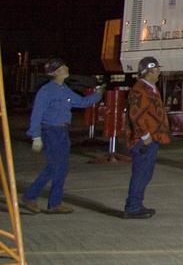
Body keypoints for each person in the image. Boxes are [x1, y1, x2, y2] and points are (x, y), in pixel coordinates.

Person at [22, 59, 103, 214]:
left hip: (62, 132)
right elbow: (37, 113)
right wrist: (35, 136)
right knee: (54, 166)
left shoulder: (64, 89)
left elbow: (81, 102)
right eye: (62, 68)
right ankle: (30, 196)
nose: (66, 68)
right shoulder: (46, 91)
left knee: (61, 168)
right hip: (51, 131)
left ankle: (54, 203)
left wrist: (97, 95)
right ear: (54, 72)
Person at [123, 56, 170, 218]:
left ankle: (136, 204)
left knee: (145, 173)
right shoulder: (140, 90)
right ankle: (133, 207)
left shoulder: (149, 88)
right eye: (156, 70)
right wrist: (145, 135)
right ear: (148, 72)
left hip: (151, 138)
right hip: (144, 140)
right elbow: (135, 115)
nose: (159, 73)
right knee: (141, 173)